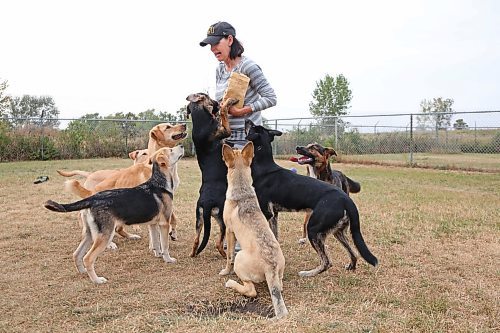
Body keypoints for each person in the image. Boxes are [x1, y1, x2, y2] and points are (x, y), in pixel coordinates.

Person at [200, 21, 277, 148]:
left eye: (216, 43)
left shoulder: (248, 67)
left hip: (247, 140)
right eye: (210, 45)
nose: (212, 49)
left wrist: (242, 111)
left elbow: (271, 98)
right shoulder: (220, 69)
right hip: (225, 139)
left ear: (230, 40)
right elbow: (222, 101)